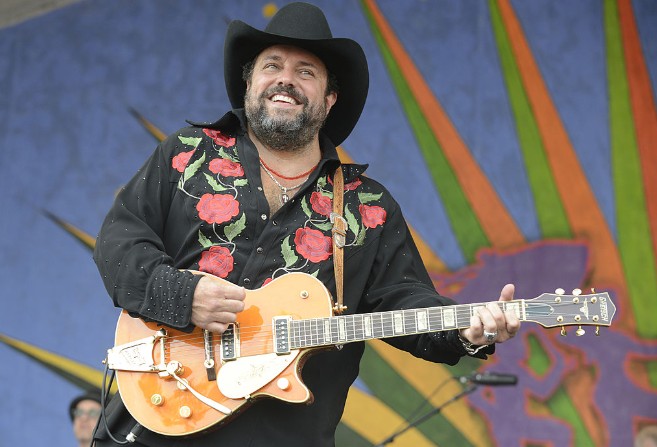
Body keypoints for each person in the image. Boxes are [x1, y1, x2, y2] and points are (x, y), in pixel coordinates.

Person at [91, 2, 520, 446]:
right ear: (249, 83)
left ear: (329, 99)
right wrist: (183, 296)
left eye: (306, 72)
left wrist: (464, 329)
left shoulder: (366, 206)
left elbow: (405, 300)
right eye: (272, 65)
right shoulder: (187, 153)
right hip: (157, 418)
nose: (285, 79)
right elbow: (118, 243)